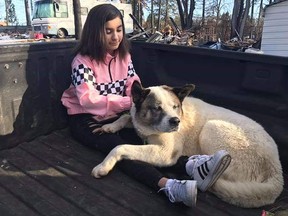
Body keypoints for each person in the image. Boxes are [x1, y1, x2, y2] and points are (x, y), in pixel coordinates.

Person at [61, 4, 231, 207]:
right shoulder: (82, 62)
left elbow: (133, 87)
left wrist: (133, 106)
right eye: (108, 31)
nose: (115, 37)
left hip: (117, 112)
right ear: (94, 33)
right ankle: (168, 186)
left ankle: (192, 166)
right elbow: (88, 100)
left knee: (145, 141)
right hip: (85, 117)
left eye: (119, 30)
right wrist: (130, 104)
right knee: (115, 147)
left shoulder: (124, 57)